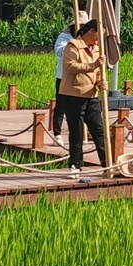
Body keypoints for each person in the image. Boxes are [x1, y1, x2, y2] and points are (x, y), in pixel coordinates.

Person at [58, 19, 112, 177]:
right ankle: (75, 165)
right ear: (91, 31)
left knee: (98, 130)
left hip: (92, 95)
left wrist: (101, 82)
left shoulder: (97, 50)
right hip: (73, 94)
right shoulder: (74, 45)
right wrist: (93, 65)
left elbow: (99, 72)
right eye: (99, 36)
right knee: (77, 132)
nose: (99, 40)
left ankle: (107, 163)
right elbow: (70, 66)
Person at [51, 17, 77, 138]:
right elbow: (59, 54)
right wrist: (72, 45)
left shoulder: (87, 39)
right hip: (63, 76)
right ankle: (57, 133)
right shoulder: (64, 37)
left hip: (79, 77)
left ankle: (77, 133)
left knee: (77, 107)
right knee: (61, 105)